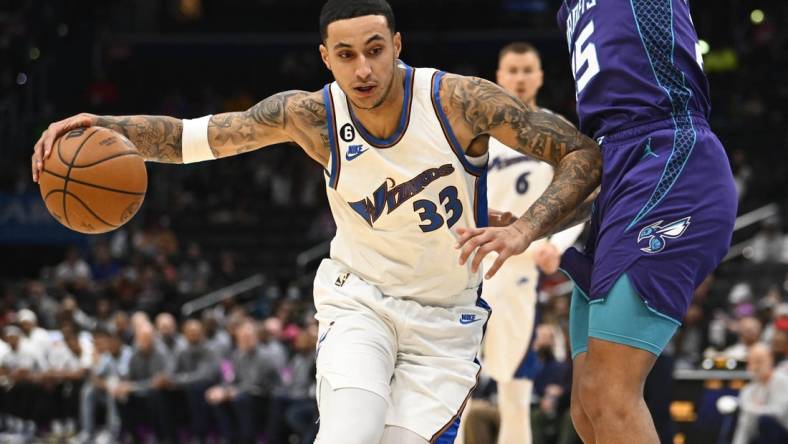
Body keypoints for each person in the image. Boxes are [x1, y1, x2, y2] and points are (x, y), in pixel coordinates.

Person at [31, 0, 601, 441]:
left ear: (397, 44)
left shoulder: (459, 101)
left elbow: (583, 156)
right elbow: (188, 138)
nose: (364, 68)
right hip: (361, 302)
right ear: (326, 58)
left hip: (445, 323)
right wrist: (103, 125)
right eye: (347, 55)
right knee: (349, 433)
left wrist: (527, 227)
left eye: (376, 49)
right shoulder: (311, 116)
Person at [520, 1, 738, 443]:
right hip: (616, 168)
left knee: (611, 394)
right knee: (586, 405)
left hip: (668, 152)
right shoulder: (568, 11)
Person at [475, 41, 585, 444]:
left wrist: (558, 242)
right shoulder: (478, 131)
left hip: (521, 270)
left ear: (538, 76)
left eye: (527, 70)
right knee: (457, 379)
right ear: (499, 76)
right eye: (513, 70)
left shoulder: (555, 129)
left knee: (514, 386)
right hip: (470, 265)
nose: (520, 78)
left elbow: (580, 197)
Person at [732, 343, 788, 444]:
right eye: (753, 362)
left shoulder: (783, 381)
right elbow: (744, 427)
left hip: (783, 435)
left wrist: (750, 408)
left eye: (760, 361)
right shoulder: (748, 390)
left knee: (765, 421)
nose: (756, 366)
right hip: (759, 439)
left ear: (770, 359)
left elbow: (779, 412)